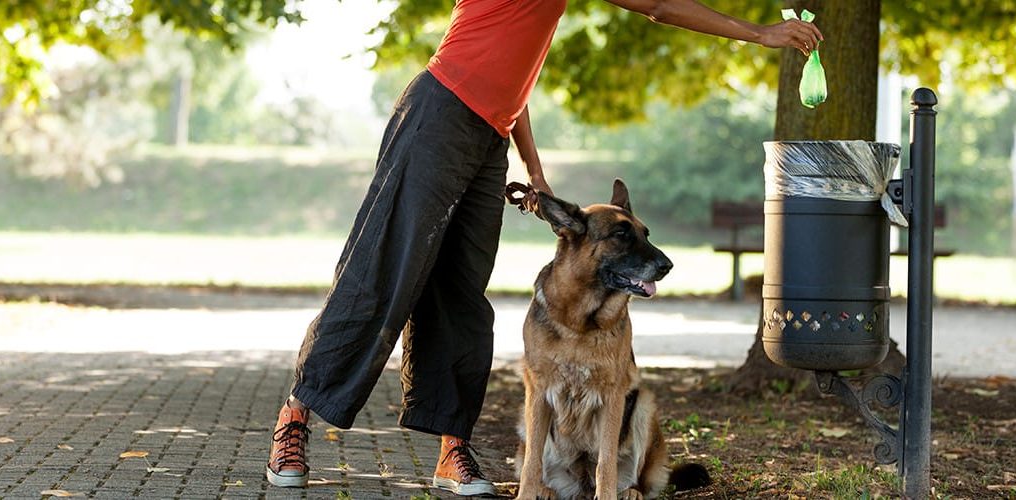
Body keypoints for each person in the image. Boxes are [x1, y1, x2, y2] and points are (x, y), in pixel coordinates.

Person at [267, 0, 822, 495]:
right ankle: (295, 417)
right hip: (438, 112)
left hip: (490, 134)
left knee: (462, 293)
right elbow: (657, 4)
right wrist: (760, 34)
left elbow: (514, 78)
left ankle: (450, 447)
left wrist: (532, 166)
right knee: (385, 268)